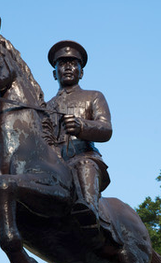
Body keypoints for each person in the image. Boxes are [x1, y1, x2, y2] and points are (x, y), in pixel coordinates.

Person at [46, 40, 112, 243]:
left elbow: (106, 129)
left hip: (84, 157)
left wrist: (81, 127)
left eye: (73, 63)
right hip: (53, 167)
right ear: (54, 73)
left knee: (84, 165)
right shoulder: (44, 107)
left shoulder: (93, 96)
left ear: (81, 72)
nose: (67, 67)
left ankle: (89, 212)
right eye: (62, 63)